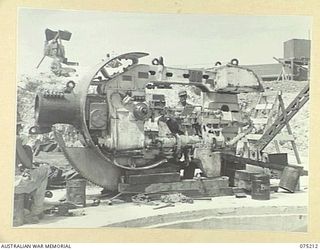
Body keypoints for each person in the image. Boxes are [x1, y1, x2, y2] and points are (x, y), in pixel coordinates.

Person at [14, 113, 50, 224]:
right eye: (19, 126)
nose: (20, 128)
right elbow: (28, 164)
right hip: (14, 184)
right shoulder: (15, 139)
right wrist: (27, 148)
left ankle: (25, 209)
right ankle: (36, 211)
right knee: (45, 169)